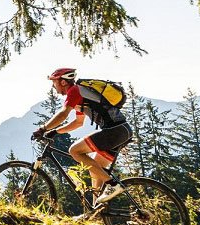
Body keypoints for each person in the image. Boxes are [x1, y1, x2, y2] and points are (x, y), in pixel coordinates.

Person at [32, 68, 133, 209]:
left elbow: (63, 113)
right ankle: (95, 213)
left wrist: (43, 129)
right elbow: (78, 123)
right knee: (96, 171)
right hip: (123, 131)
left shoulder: (74, 91)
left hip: (114, 131)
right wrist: (55, 131)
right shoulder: (81, 95)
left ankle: (112, 185)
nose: (53, 87)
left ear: (62, 81)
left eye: (54, 83)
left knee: (75, 151)